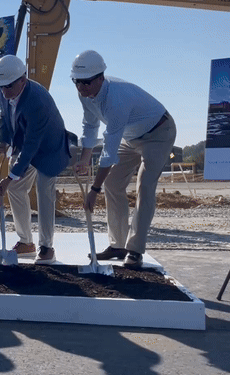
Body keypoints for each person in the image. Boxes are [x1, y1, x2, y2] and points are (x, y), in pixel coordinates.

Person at [70, 50, 176, 269]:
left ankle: (135, 250)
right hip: (130, 136)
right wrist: (84, 158)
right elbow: (90, 126)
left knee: (144, 186)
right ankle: (118, 245)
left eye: (86, 82)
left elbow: (109, 153)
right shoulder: (85, 94)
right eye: (76, 81)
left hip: (158, 132)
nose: (81, 87)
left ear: (101, 78)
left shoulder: (117, 100)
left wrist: (94, 189)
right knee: (113, 183)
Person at [0, 55, 71, 264]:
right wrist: (4, 142)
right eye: (0, 87)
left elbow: (31, 147)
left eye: (8, 86)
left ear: (22, 81)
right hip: (24, 142)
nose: (4, 91)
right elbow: (5, 119)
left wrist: (10, 176)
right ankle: (26, 242)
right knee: (16, 189)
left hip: (48, 148)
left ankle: (46, 247)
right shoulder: (3, 89)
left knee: (44, 192)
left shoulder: (38, 101)